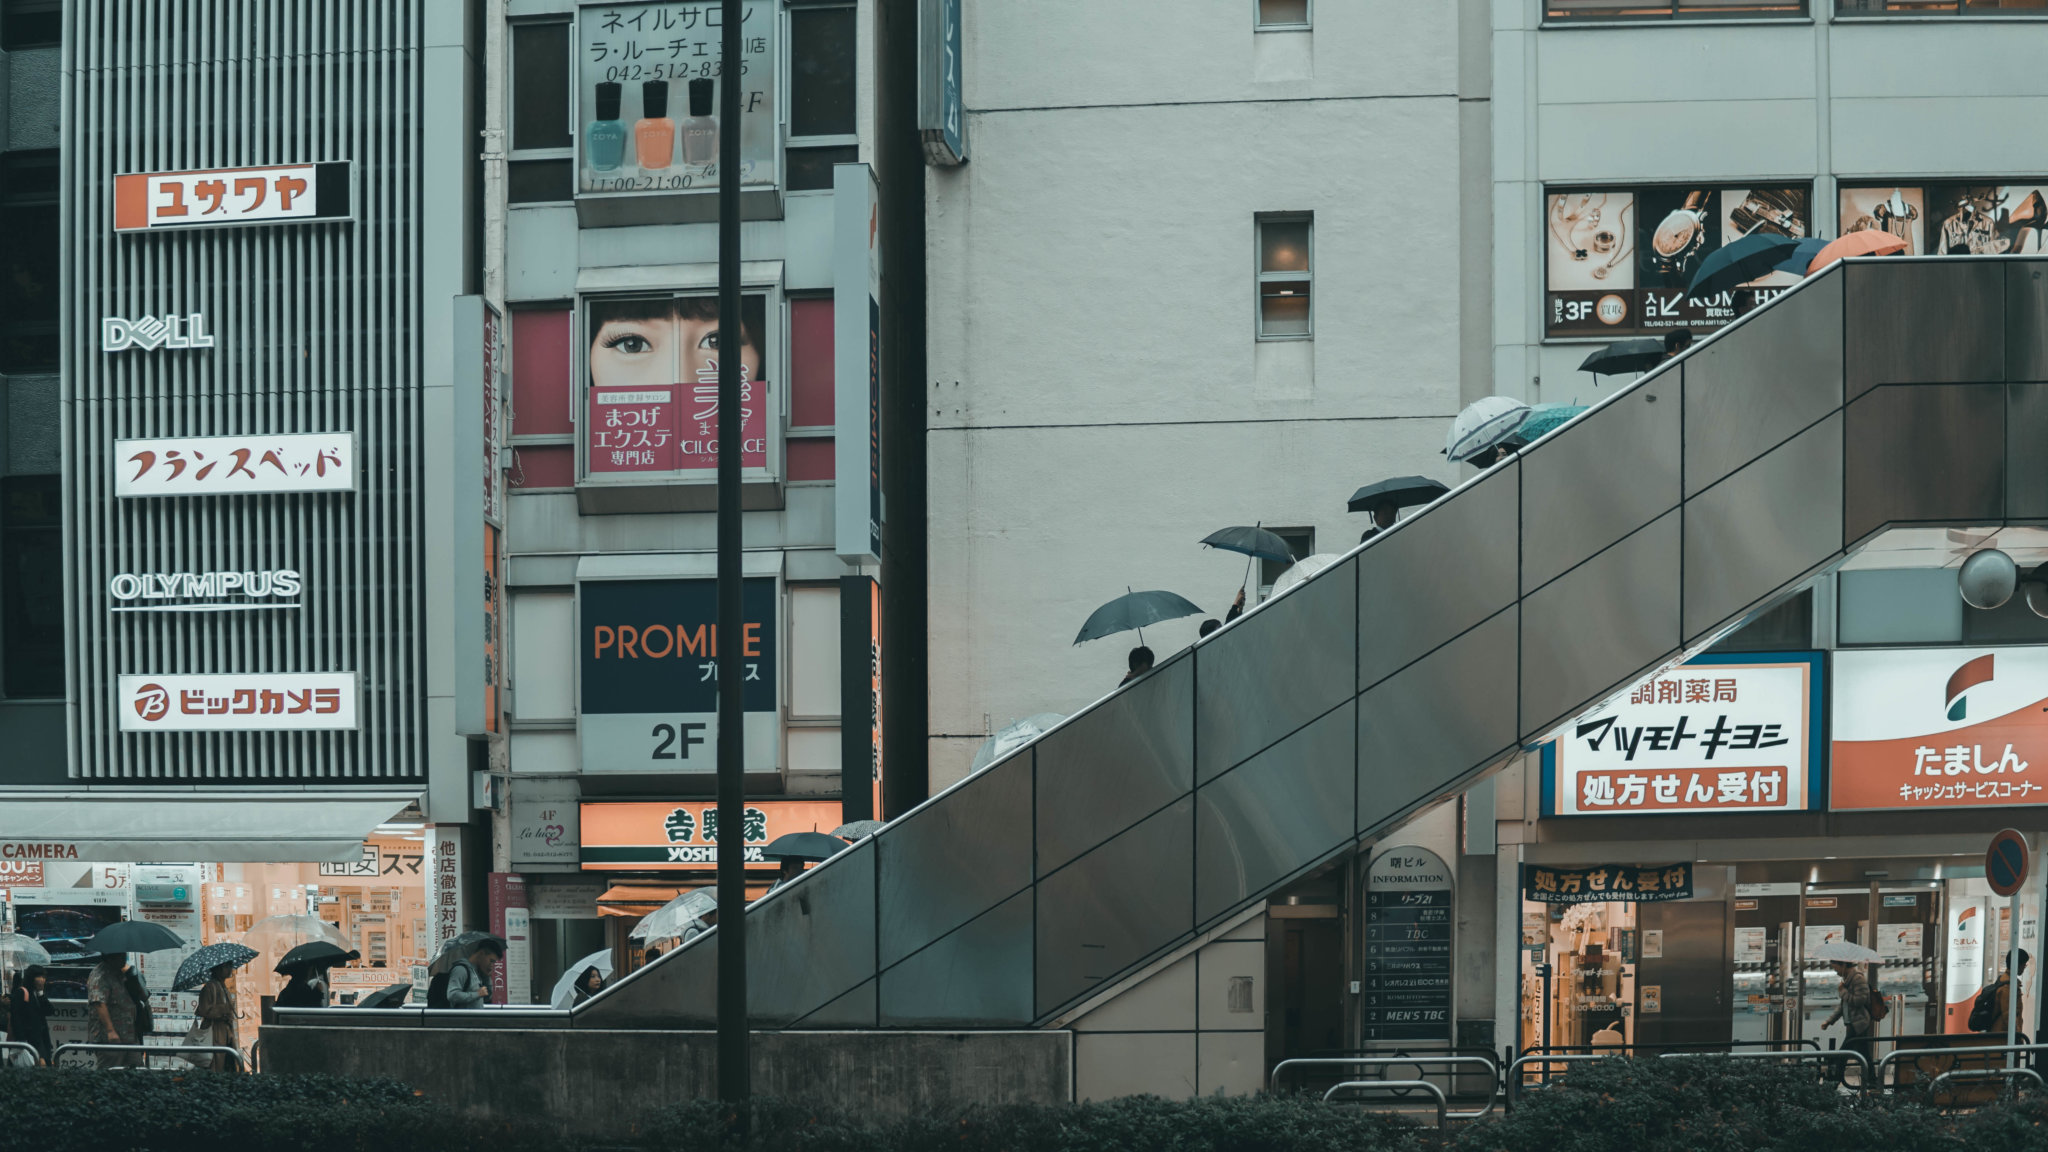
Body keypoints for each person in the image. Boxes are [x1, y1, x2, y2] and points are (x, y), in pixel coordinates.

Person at [1822, 959, 1876, 1074]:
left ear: (1844, 965)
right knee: (1864, 1054)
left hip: (1859, 1023)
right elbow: (1843, 1006)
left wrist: (1843, 992)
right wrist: (1829, 1021)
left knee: (1844, 1054)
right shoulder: (1847, 980)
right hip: (1852, 1023)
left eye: (1835, 967)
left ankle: (1834, 1082)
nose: (1835, 971)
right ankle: (1873, 1081)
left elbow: (1859, 1001)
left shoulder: (1858, 978)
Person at [87, 953, 139, 1068]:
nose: (124, 958)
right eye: (121, 955)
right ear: (111, 957)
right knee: (110, 1070)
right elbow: (99, 1002)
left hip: (128, 1035)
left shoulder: (120, 973)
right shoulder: (100, 974)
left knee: (136, 1068)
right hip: (110, 1038)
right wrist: (110, 1031)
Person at [195, 963, 240, 1072]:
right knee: (216, 1064)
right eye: (227, 967)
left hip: (226, 1032)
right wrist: (223, 1010)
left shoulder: (223, 986)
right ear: (218, 969)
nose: (230, 969)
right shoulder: (210, 987)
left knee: (227, 1063)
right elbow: (203, 1010)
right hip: (214, 1032)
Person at [8, 964, 52, 1064]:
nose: (42, 980)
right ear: (31, 978)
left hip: (41, 1040)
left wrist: (41, 993)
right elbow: (16, 1018)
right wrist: (22, 1042)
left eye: (43, 977)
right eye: (38, 977)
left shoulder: (37, 993)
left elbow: (49, 1011)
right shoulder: (22, 993)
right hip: (28, 1041)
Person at [446, 939, 504, 1009]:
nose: (492, 965)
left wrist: (487, 977)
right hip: (463, 1018)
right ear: (481, 953)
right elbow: (452, 995)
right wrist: (477, 994)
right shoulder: (461, 970)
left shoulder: (477, 971)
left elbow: (486, 997)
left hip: (475, 1018)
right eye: (491, 961)